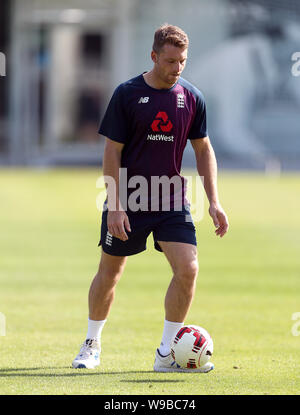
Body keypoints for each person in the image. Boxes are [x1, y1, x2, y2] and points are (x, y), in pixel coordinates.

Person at [72, 23, 229, 372]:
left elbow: (204, 151)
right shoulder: (126, 94)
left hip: (171, 198)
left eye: (183, 61)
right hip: (131, 198)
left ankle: (165, 355)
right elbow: (112, 152)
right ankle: (91, 344)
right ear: (154, 56)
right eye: (171, 61)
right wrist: (115, 205)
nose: (177, 68)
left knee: (188, 268)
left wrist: (214, 201)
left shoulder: (192, 98)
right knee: (110, 273)